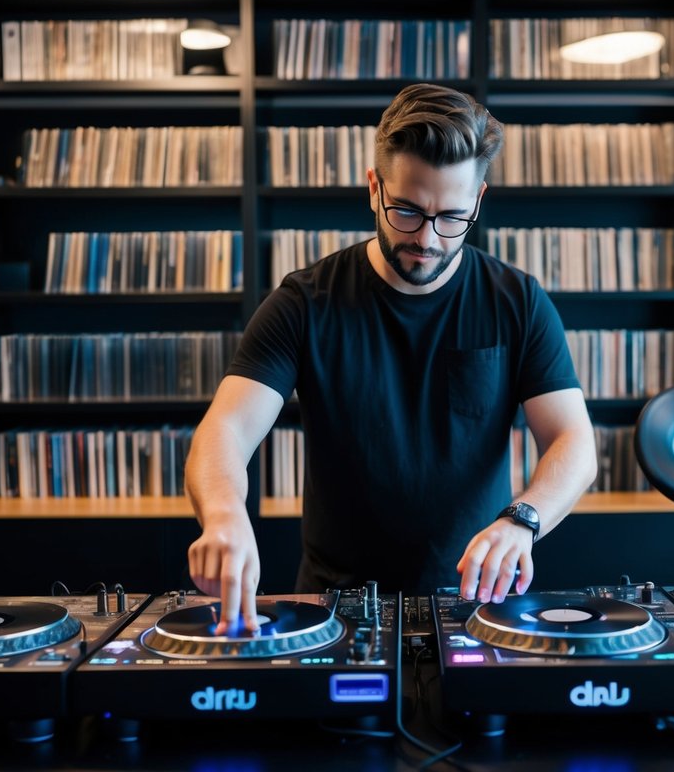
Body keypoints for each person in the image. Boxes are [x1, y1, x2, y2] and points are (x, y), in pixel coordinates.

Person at [185, 83, 596, 633]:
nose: (427, 239)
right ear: (374, 188)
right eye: (407, 210)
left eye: (451, 217)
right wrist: (224, 515)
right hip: (334, 614)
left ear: (477, 200)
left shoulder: (517, 301)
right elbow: (225, 431)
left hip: (478, 610)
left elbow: (574, 442)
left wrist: (523, 520)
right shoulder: (304, 303)